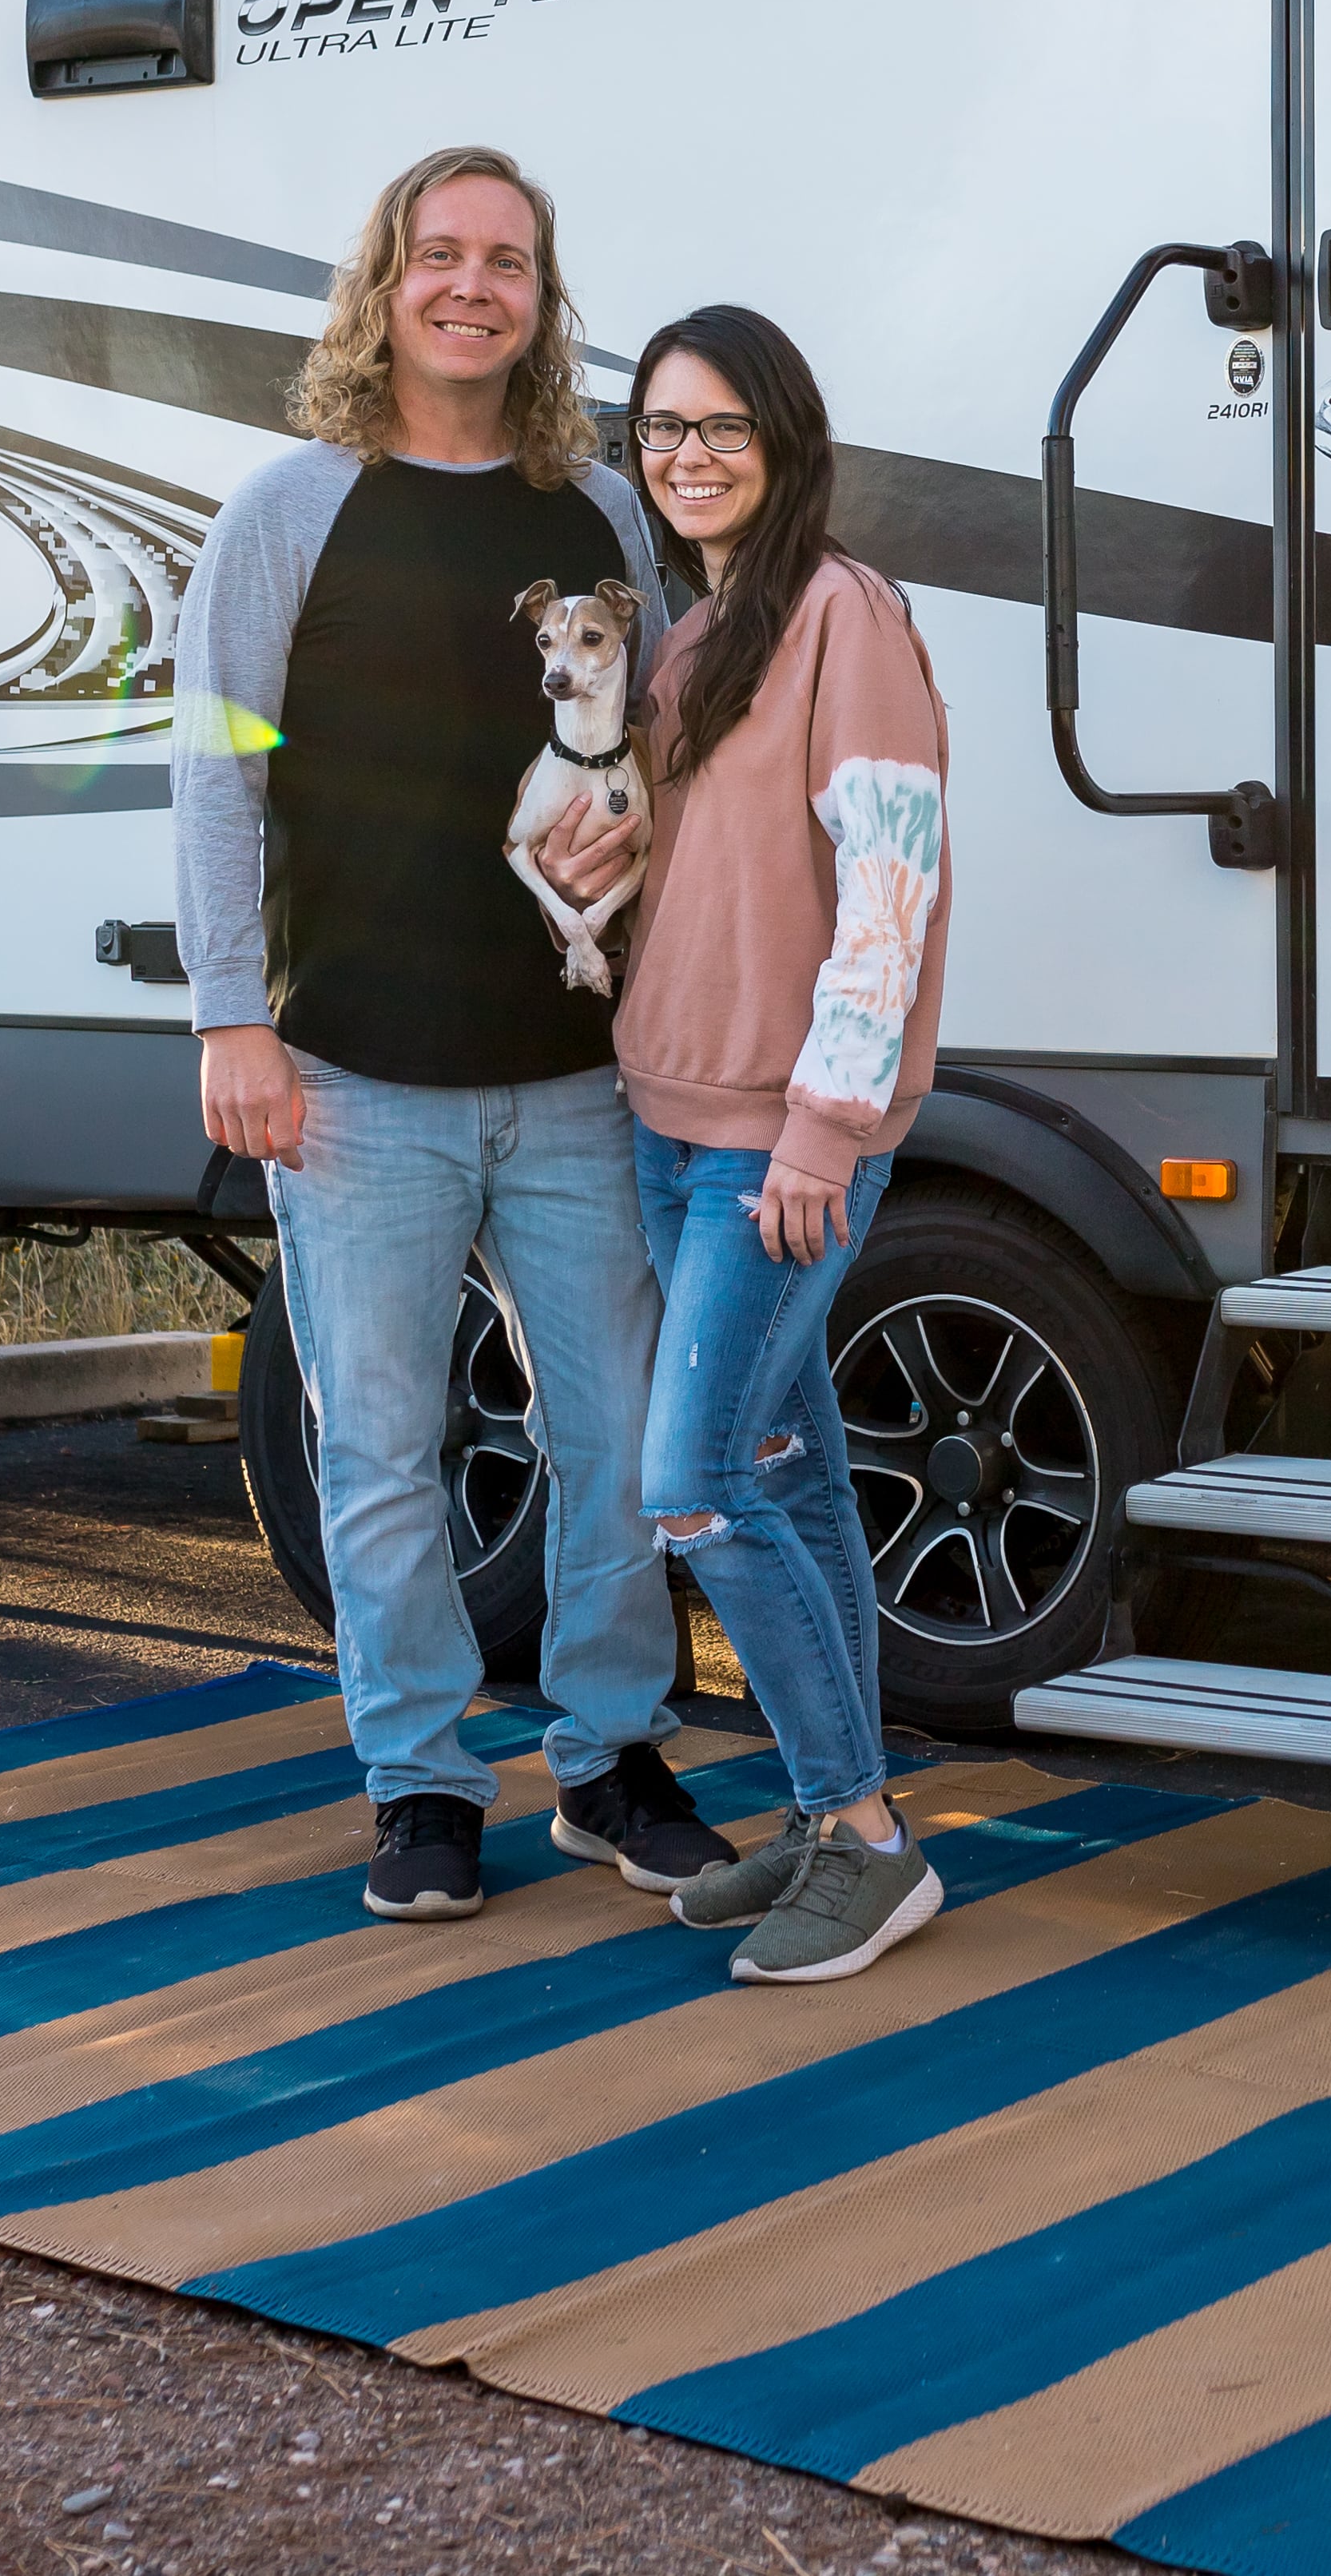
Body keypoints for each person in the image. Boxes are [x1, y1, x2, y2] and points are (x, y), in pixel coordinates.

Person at [169, 144, 734, 1923]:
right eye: (441, 254)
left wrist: (645, 822)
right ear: (384, 283)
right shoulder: (289, 510)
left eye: (507, 258)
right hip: (348, 1075)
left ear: (541, 296)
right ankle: (419, 1781)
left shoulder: (601, 513)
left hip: (579, 1067)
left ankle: (606, 1757)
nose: (472, 284)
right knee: (383, 1448)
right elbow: (213, 767)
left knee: (618, 1434)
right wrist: (226, 1018)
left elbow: (680, 741)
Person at [606, 304, 956, 1985]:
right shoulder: (694, 641)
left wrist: (822, 1127)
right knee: (786, 1479)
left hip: (776, 1147)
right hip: (670, 1129)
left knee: (688, 1489)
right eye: (663, 428)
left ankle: (868, 1835)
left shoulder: (843, 615)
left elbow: (889, 883)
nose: (687, 455)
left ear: (786, 438)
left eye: (721, 426)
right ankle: (838, 1827)